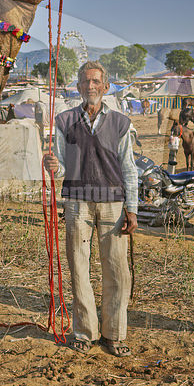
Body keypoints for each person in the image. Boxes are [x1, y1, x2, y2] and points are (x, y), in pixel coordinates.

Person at [43, 61, 138, 357]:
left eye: (96, 81)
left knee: (117, 270)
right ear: (78, 87)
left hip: (113, 203)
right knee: (79, 267)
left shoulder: (120, 123)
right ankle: (85, 332)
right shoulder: (63, 120)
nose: (91, 86)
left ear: (106, 86)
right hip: (77, 203)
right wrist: (53, 166)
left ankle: (115, 334)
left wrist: (132, 208)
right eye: (85, 82)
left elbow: (129, 169)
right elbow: (58, 167)